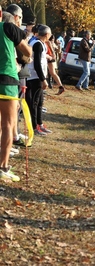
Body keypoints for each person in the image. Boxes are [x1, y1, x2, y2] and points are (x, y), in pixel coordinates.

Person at [0, 5, 32, 181]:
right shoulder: (7, 27)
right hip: (7, 79)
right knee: (8, 125)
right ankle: (3, 167)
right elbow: (28, 51)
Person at [26, 25, 52, 137]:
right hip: (34, 77)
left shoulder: (40, 44)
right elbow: (37, 64)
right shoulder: (37, 44)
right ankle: (34, 126)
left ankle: (40, 124)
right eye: (50, 34)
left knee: (40, 102)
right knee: (34, 103)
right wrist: (43, 79)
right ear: (46, 35)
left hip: (38, 76)